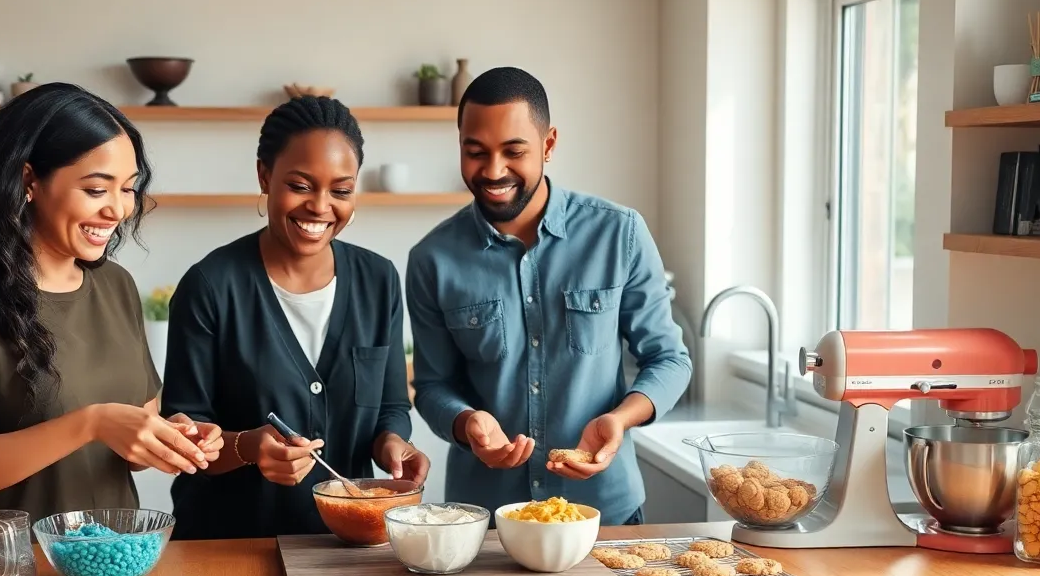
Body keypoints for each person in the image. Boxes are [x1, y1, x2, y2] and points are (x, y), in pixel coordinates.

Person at [0, 82, 223, 523]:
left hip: (113, 561)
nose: (117, 210)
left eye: (128, 189)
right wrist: (89, 424)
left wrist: (175, 436)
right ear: (29, 180)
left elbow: (133, 448)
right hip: (11, 573)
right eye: (96, 190)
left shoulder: (116, 286)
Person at [406, 67, 692, 526]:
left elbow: (670, 359)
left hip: (604, 514)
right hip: (484, 521)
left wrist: (619, 419)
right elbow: (434, 385)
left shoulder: (619, 234)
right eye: (475, 152)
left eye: (513, 151)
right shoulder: (432, 258)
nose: (493, 171)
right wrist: (467, 424)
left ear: (549, 145)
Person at [161, 95, 430, 540]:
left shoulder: (378, 280)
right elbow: (184, 435)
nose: (321, 207)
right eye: (301, 185)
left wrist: (394, 445)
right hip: (230, 546)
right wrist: (248, 447)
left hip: (348, 547)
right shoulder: (209, 286)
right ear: (264, 176)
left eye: (341, 191)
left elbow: (391, 406)